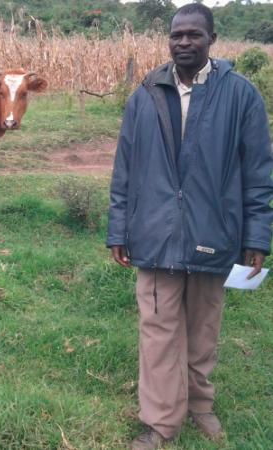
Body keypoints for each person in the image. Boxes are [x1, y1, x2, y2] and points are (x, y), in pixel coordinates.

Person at [106, 3, 273, 449]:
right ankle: (162, 422)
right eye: (176, 35)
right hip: (154, 234)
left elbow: (258, 173)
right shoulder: (145, 94)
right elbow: (125, 169)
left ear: (212, 39)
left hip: (213, 233)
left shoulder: (240, 96)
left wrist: (256, 237)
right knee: (158, 329)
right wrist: (118, 229)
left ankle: (200, 403)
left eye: (194, 35)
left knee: (202, 329)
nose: (183, 42)